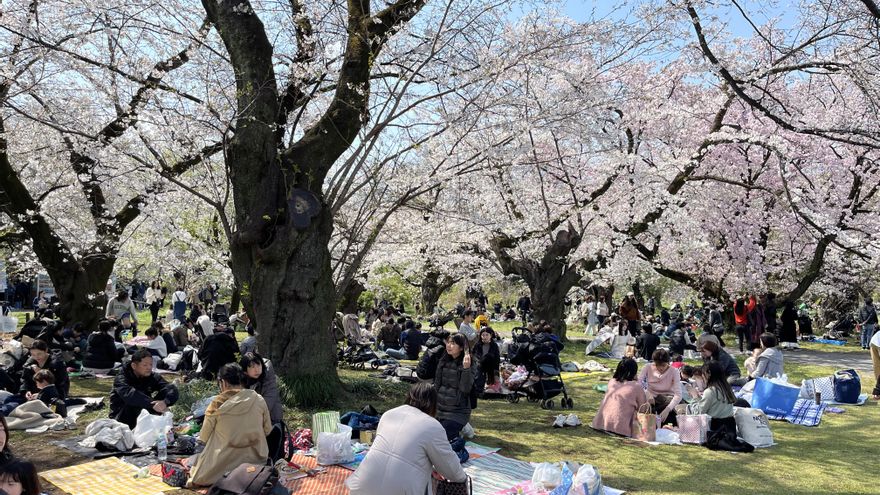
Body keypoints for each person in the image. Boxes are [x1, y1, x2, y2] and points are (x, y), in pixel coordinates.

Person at [346, 382, 467, 494]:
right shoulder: (433, 426)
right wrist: (462, 478)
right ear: (434, 404)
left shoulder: (389, 414)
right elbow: (451, 470)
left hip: (360, 487)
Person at [189, 363, 272, 487]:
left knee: (198, 476)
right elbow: (267, 430)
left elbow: (203, 439)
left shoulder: (217, 404)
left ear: (224, 382)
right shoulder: (258, 399)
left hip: (222, 463)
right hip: (256, 461)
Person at [109, 349, 179, 429]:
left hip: (143, 411)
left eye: (150, 364)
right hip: (122, 416)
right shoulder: (121, 378)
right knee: (132, 402)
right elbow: (131, 395)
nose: (149, 368)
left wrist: (165, 402)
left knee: (167, 391)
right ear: (134, 366)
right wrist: (153, 404)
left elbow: (171, 388)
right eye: (145, 365)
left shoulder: (151, 376)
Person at [433, 333, 475, 463]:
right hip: (440, 410)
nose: (449, 346)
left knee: (440, 441)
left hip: (457, 412)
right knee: (429, 437)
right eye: (448, 342)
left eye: (453, 343)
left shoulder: (469, 364)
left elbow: (465, 389)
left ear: (462, 348)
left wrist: (466, 369)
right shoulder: (443, 360)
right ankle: (459, 434)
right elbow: (437, 385)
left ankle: (461, 450)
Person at [591, 358, 649, 437]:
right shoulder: (636, 387)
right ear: (634, 372)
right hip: (621, 429)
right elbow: (643, 409)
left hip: (600, 424)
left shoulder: (612, 382)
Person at [687, 361, 736, 434]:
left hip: (715, 430)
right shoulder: (726, 388)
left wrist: (695, 396)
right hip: (730, 428)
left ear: (707, 374)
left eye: (703, 374)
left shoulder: (710, 391)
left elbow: (697, 413)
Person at [637, 349, 681, 426]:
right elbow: (638, 383)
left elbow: (678, 395)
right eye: (657, 365)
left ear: (668, 363)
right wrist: (646, 392)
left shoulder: (674, 371)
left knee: (668, 414)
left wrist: (667, 409)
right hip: (651, 400)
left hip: (667, 400)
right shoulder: (647, 367)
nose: (660, 368)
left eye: (663, 365)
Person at [240, 352, 283, 424]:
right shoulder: (242, 378)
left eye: (258, 365)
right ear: (245, 371)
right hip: (252, 416)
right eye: (252, 367)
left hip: (271, 418)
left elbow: (266, 404)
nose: (257, 370)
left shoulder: (268, 377)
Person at [473, 328, 500, 395]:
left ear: (490, 335)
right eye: (483, 335)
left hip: (491, 367)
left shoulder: (494, 346)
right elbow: (474, 355)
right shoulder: (477, 345)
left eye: (486, 335)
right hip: (480, 366)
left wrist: (496, 372)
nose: (484, 337)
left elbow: (496, 359)